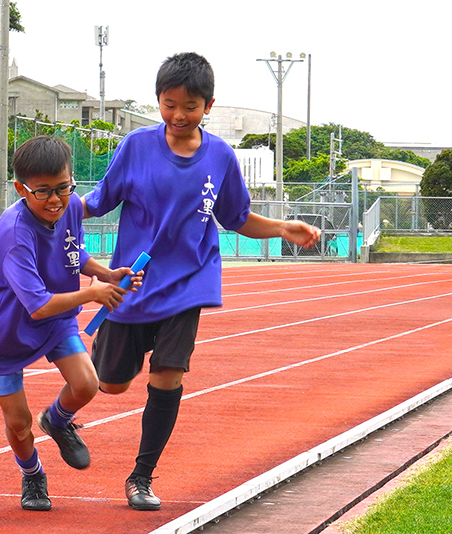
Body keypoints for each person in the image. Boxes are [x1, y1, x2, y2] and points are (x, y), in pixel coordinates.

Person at [81, 52, 321, 511]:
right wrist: (51, 211)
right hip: (133, 280)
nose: (177, 115)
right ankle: (63, 414)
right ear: (158, 101)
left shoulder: (220, 157)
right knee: (109, 384)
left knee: (168, 376)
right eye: (169, 104)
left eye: (189, 106)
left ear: (208, 105)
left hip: (191, 279)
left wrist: (282, 227)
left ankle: (141, 477)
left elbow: (235, 217)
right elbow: (100, 200)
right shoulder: (135, 146)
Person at [0, 136, 141, 511]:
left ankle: (58, 420)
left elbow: (73, 251)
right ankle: (32, 474)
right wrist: (93, 294)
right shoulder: (16, 235)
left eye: (63, 188)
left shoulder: (71, 208)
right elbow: (38, 306)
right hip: (5, 332)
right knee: (19, 424)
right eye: (43, 192)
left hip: (55, 317)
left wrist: (107, 274)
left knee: (86, 383)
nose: (55, 200)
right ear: (21, 189)